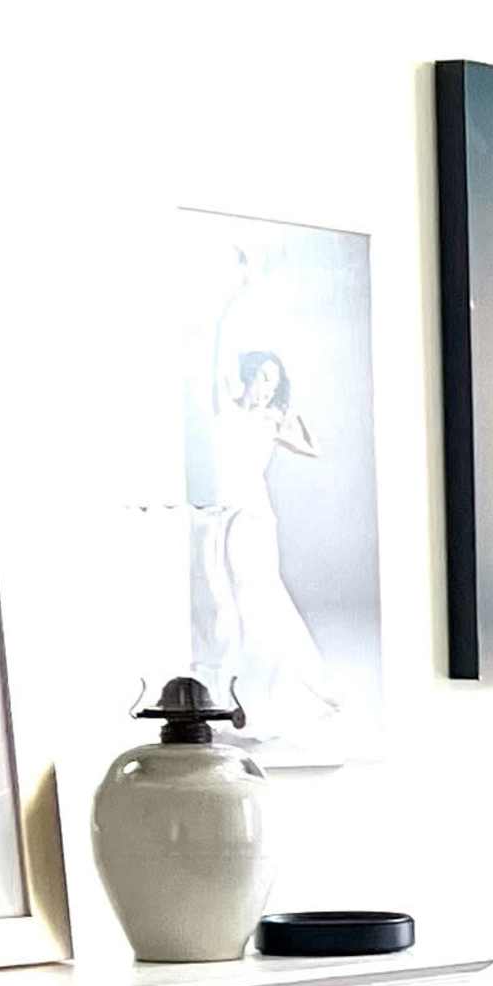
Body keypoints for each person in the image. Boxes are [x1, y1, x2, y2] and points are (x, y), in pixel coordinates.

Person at [198, 318, 338, 744]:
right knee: (225, 599)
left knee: (257, 595)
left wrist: (291, 416)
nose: (264, 389)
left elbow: (313, 449)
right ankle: (234, 684)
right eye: (260, 378)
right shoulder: (227, 408)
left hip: (254, 517)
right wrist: (223, 313)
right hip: (222, 515)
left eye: (272, 383)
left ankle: (274, 684)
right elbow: (216, 357)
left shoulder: (271, 421)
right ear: (246, 375)